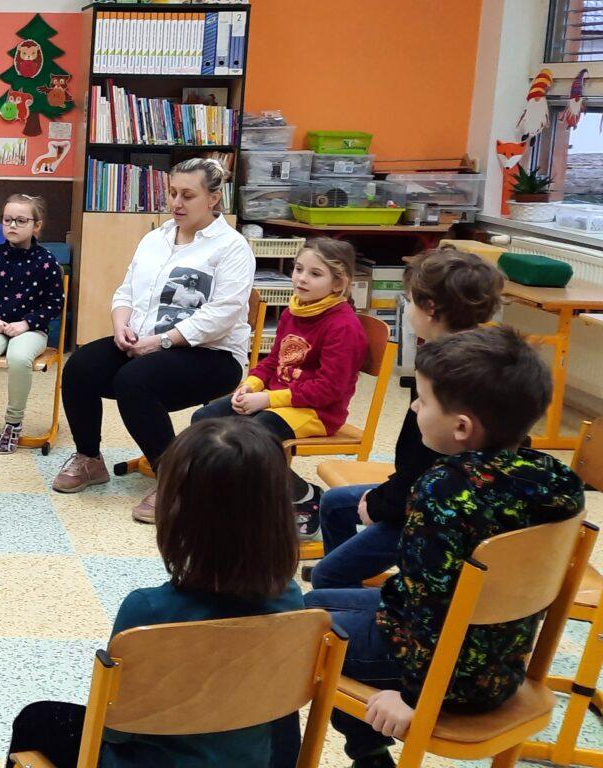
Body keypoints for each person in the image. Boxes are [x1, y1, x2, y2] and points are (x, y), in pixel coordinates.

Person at [306, 326, 584, 768]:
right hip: (504, 657)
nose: (414, 407)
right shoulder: (558, 480)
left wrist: (416, 698)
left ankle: (368, 754)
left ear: (461, 427)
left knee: (306, 632)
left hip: (447, 676)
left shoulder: (441, 491)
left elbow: (430, 607)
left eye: (422, 400)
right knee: (311, 604)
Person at [7, 417, 304, 767]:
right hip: (253, 759)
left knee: (37, 719)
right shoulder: (293, 600)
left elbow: (115, 729)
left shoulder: (148, 611)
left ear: (178, 513)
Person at [55, 156, 255, 523]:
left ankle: (175, 480)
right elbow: (126, 291)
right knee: (81, 366)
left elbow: (222, 314)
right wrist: (121, 325)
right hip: (146, 345)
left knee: (134, 380)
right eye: (172, 193)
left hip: (211, 355)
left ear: (213, 199)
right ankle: (89, 458)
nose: (176, 203)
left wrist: (161, 342)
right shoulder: (155, 238)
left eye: (188, 196)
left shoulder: (231, 246)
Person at [311, 247, 505, 589]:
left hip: (434, 509)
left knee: (326, 573)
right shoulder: (465, 352)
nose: (408, 307)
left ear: (430, 308)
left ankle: (347, 600)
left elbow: (426, 466)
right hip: (423, 490)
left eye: (410, 300)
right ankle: (350, 581)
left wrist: (380, 504)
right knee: (334, 503)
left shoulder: (450, 370)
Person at [191, 238, 367, 539]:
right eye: (298, 269)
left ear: (338, 284)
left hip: (317, 411)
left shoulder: (343, 326)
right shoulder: (293, 312)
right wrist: (250, 385)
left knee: (255, 434)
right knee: (205, 419)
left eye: (315, 274)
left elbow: (329, 389)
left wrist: (267, 399)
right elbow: (273, 361)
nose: (301, 278)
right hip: (277, 401)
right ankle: (230, 495)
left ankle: (304, 496)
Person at [0, 194, 63, 455]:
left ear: (36, 225)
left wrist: (26, 324)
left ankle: (14, 423)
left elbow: (54, 304)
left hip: (31, 330)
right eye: (7, 220)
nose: (12, 226)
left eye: (21, 220)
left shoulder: (47, 262)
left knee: (19, 359)